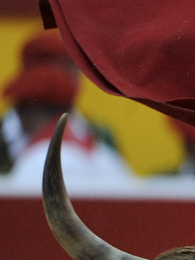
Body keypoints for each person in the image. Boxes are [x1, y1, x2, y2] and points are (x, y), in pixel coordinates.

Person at [1, 30, 132, 183]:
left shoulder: (101, 135)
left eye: (77, 67)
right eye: (63, 66)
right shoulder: (2, 136)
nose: (74, 76)